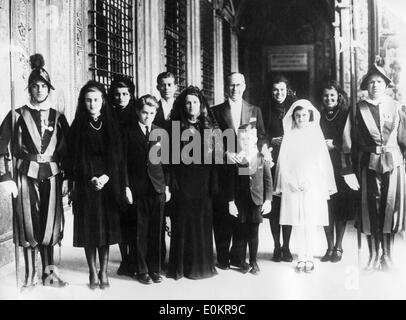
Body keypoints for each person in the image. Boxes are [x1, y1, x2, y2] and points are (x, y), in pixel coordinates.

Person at [0, 54, 69, 288]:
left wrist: (68, 178)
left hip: (52, 175)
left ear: (49, 89)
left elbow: (67, 151)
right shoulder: (17, 115)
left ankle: (49, 275)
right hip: (24, 176)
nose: (39, 90)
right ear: (29, 88)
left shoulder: (59, 117)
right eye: (35, 86)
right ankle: (29, 276)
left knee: (50, 226)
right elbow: (0, 147)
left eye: (43, 86)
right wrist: (5, 177)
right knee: (29, 226)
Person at [341, 64, 406, 271]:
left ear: (386, 84)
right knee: (369, 210)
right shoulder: (357, 109)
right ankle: (372, 255)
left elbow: (404, 139)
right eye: (371, 82)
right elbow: (346, 143)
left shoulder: (397, 107)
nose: (376, 85)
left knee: (390, 210)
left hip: (394, 165)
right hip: (367, 165)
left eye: (379, 81)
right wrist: (347, 170)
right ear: (366, 85)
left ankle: (387, 256)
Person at [67, 81, 124, 289]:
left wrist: (106, 177)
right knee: (89, 230)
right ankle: (92, 272)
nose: (92, 104)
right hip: (85, 183)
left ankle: (103, 271)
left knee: (105, 230)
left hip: (107, 183)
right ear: (84, 102)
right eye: (88, 100)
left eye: (96, 100)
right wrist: (89, 177)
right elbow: (73, 157)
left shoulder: (111, 123)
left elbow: (117, 155)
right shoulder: (78, 125)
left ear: (103, 102)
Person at [211, 72, 266, 272]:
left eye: (239, 85)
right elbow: (212, 139)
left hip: (246, 168)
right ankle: (223, 257)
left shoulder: (254, 110)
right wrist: (225, 154)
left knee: (241, 214)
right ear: (227, 86)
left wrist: (262, 151)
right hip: (225, 167)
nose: (235, 88)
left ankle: (238, 256)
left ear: (244, 86)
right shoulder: (215, 111)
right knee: (224, 213)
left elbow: (261, 136)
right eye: (231, 85)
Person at [274, 100, 337, 273]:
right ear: (293, 117)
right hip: (293, 184)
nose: (301, 118)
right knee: (297, 222)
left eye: (304, 115)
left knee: (310, 221)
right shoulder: (289, 135)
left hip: (312, 184)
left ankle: (310, 256)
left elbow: (321, 163)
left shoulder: (315, 135)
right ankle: (301, 256)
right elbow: (284, 162)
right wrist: (290, 181)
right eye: (297, 115)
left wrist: (311, 180)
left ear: (309, 116)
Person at [167, 86, 219, 280]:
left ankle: (202, 266)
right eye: (188, 102)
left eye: (195, 102)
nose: (192, 106)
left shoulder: (210, 127)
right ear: (183, 104)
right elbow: (170, 160)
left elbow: (216, 159)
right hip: (183, 183)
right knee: (183, 224)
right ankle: (181, 267)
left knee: (202, 223)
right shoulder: (174, 127)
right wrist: (172, 183)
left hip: (203, 183)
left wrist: (213, 183)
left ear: (201, 105)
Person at [125, 95, 170, 285]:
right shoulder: (127, 132)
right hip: (137, 188)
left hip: (158, 187)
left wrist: (167, 186)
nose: (148, 116)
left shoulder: (161, 132)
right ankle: (141, 269)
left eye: (152, 113)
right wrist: (126, 186)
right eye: (144, 112)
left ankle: (155, 268)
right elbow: (123, 163)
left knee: (156, 230)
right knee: (139, 230)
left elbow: (167, 163)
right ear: (138, 111)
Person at [319, 80, 357, 263]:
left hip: (341, 166)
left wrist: (334, 144)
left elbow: (353, 141)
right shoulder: (317, 116)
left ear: (339, 96)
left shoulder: (346, 115)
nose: (329, 98)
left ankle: (339, 246)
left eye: (332, 95)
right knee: (326, 207)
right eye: (326, 95)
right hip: (322, 167)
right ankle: (328, 246)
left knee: (340, 207)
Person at [228, 125, 273, 275]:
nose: (246, 140)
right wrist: (231, 202)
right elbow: (232, 183)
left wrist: (268, 200)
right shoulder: (237, 159)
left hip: (256, 202)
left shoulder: (261, 158)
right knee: (240, 232)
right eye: (242, 138)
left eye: (249, 137)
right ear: (239, 140)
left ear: (255, 139)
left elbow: (268, 180)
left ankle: (254, 261)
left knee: (253, 232)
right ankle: (241, 261)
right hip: (241, 202)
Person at [262, 74, 297, 263]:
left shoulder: (295, 107)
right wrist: (270, 141)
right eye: (275, 90)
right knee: (274, 207)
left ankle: (287, 247)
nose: (279, 93)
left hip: (291, 162)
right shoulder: (264, 108)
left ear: (288, 90)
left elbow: (302, 130)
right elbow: (259, 132)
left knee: (288, 204)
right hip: (272, 161)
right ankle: (276, 246)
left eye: (282, 89)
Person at [108, 77, 137, 277]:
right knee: (119, 217)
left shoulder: (136, 113)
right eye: (117, 94)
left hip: (134, 172)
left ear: (131, 94)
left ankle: (135, 258)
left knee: (134, 217)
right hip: (114, 171)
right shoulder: (108, 113)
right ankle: (125, 258)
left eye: (125, 93)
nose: (121, 98)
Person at [154, 72, 178, 268]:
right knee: (160, 215)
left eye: (170, 84)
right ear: (157, 87)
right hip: (159, 163)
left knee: (177, 212)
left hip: (180, 165)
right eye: (163, 85)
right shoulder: (154, 107)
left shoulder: (182, 106)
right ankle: (159, 258)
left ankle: (177, 257)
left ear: (175, 86)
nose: (166, 88)